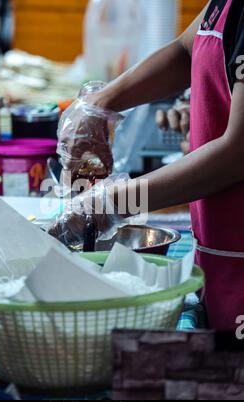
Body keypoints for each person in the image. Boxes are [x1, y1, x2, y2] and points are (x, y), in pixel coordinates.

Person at [49, 0, 244, 332]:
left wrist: (113, 203)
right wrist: (98, 105)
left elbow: (236, 154)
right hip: (221, 258)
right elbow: (186, 50)